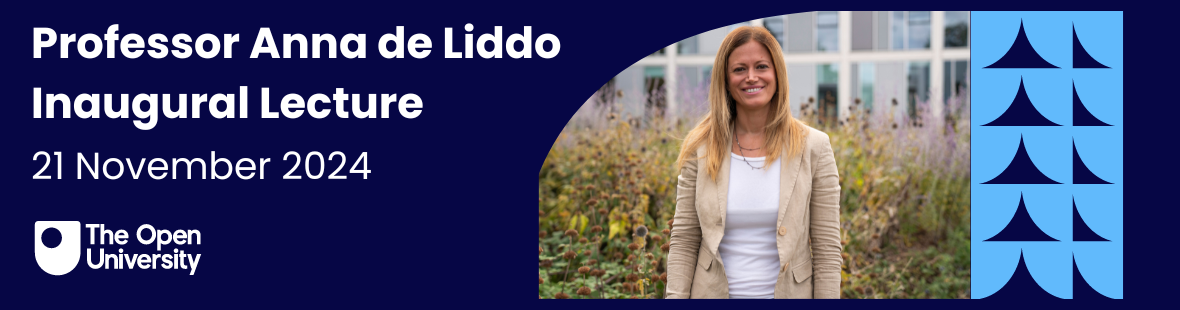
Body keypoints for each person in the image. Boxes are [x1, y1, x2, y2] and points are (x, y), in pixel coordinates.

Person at [664, 26, 842, 299]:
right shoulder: (700, 148)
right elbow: (685, 241)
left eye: (761, 66)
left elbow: (827, 248)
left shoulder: (814, 147)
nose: (751, 77)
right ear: (725, 79)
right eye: (739, 69)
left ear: (777, 74)